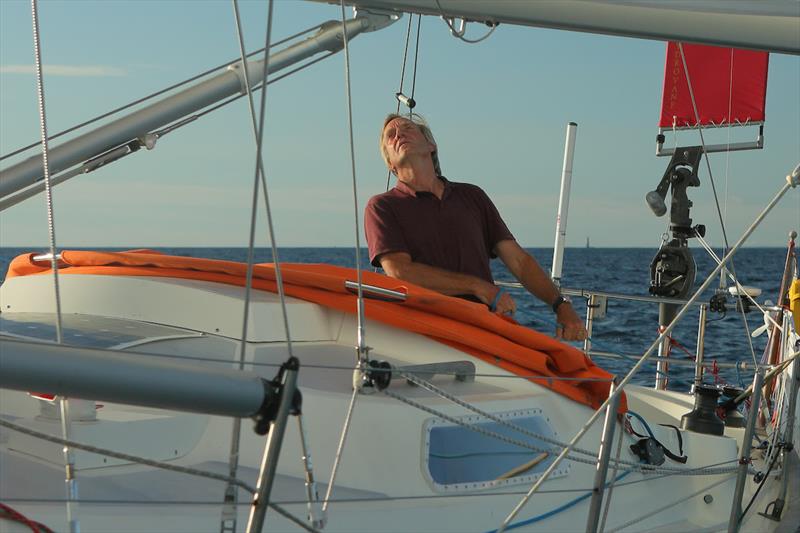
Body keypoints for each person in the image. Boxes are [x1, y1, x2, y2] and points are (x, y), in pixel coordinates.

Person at [364, 113, 587, 342]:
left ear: (431, 145)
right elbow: (400, 271)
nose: (399, 134)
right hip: (423, 335)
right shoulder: (382, 207)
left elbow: (519, 261)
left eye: (407, 129)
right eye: (391, 136)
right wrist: (477, 287)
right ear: (390, 163)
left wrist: (560, 305)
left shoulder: (472, 196)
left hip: (483, 331)